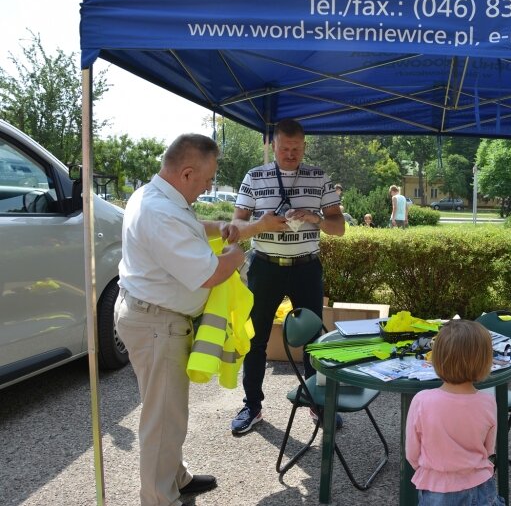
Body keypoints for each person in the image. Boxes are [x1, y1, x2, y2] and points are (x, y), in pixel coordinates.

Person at [116, 134, 246, 506]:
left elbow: (186, 224)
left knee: (165, 411)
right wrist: (236, 254)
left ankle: (176, 477)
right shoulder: (160, 212)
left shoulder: (156, 195)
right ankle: (160, 498)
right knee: (162, 422)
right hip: (159, 324)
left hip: (152, 317)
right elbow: (211, 274)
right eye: (206, 181)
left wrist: (217, 226)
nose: (207, 188)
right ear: (187, 173)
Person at [230, 119, 345, 435]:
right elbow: (234, 228)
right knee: (256, 337)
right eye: (284, 149)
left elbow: (339, 227)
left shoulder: (319, 177)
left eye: (296, 149)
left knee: (313, 340)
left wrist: (315, 218)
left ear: (304, 146)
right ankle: (252, 405)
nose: (290, 154)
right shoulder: (255, 177)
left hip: (307, 267)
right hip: (265, 266)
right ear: (272, 146)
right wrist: (260, 226)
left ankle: (316, 403)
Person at [405, 320, 505, 506]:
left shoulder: (422, 400)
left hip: (437, 489)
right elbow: (488, 449)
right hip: (481, 485)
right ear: (485, 362)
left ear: (436, 358)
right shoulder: (488, 402)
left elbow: (412, 452)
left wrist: (428, 471)